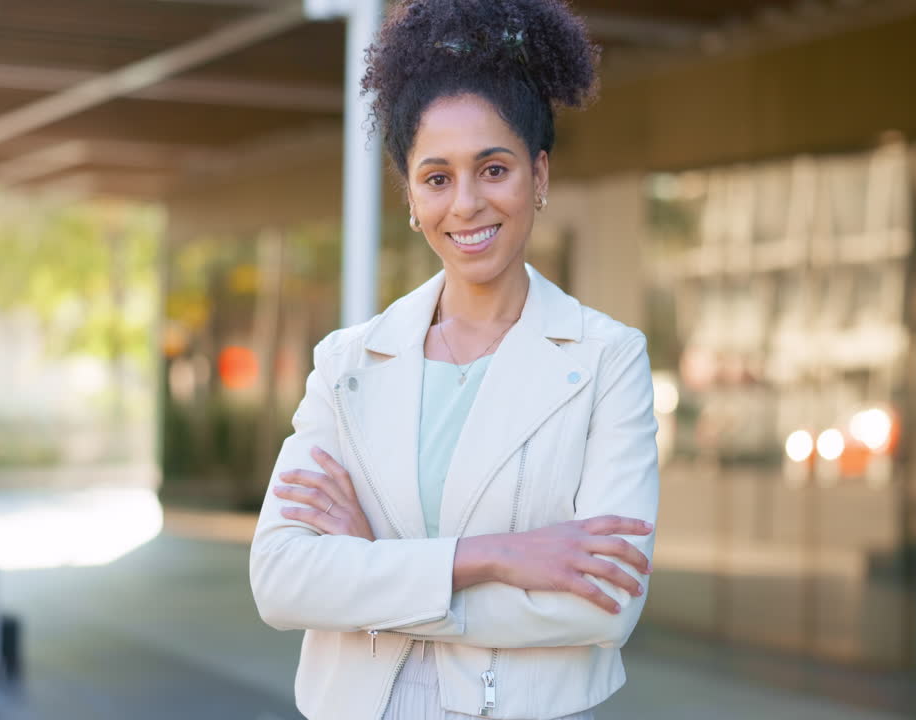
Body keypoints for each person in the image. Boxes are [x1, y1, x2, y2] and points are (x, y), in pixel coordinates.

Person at [249, 1, 659, 717]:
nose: (466, 204)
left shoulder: (608, 360)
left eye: (493, 169)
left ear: (539, 176)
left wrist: (374, 566)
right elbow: (281, 579)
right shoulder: (348, 363)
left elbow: (606, 607)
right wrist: (492, 556)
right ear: (410, 198)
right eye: (437, 178)